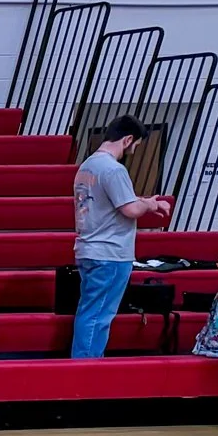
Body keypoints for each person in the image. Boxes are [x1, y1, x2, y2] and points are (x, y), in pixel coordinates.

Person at [70, 114, 173, 359]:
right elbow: (130, 209)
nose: (133, 151)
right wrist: (149, 205)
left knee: (90, 313)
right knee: (98, 317)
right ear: (127, 140)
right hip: (110, 253)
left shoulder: (87, 166)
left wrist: (144, 201)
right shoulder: (114, 169)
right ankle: (85, 369)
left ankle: (82, 365)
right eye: (134, 145)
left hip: (89, 249)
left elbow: (117, 201)